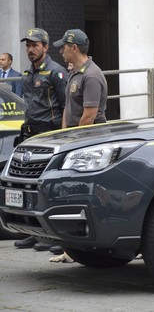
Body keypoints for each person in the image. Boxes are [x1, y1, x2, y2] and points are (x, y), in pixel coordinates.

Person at [14, 28, 68, 252]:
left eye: (35, 45)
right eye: (28, 45)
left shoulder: (56, 72)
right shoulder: (28, 73)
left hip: (50, 134)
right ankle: (31, 231)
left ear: (46, 47)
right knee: (29, 186)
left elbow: (67, 105)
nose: (30, 49)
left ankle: (49, 236)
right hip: (32, 134)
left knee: (47, 186)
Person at [53, 29, 107, 128]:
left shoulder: (91, 75)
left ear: (74, 48)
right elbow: (68, 107)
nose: (61, 51)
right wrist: (64, 133)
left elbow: (89, 117)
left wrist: (74, 139)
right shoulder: (74, 72)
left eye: (63, 47)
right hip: (74, 136)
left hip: (88, 137)